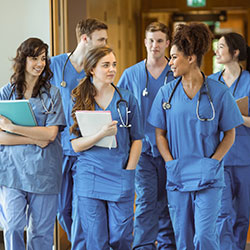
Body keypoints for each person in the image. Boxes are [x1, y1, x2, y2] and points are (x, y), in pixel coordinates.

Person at [148, 23, 244, 250]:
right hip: (178, 174)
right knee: (183, 239)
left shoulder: (218, 92)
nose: (169, 62)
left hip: (208, 177)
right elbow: (159, 134)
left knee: (205, 237)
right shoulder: (166, 93)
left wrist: (214, 161)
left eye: (173, 57)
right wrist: (170, 162)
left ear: (190, 58)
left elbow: (230, 133)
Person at [69, 46, 143, 249]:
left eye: (114, 64)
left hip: (120, 173)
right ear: (92, 69)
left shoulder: (126, 99)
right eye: (106, 65)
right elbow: (75, 145)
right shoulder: (79, 99)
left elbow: (137, 138)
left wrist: (129, 169)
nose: (112, 69)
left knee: (122, 237)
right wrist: (100, 134)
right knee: (96, 240)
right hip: (90, 175)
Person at [0, 38, 65, 249]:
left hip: (44, 172)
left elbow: (51, 134)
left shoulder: (52, 94)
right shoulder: (6, 93)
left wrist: (13, 128)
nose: (40, 63)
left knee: (41, 233)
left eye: (43, 58)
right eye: (34, 58)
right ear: (23, 59)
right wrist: (34, 137)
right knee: (13, 226)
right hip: (12, 172)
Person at [50, 18, 108, 248]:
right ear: (85, 39)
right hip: (58, 149)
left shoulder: (97, 69)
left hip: (86, 150)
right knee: (62, 209)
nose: (105, 44)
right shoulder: (54, 65)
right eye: (101, 39)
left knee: (83, 208)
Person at [117, 22, 176, 249]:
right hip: (143, 150)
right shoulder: (131, 74)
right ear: (144, 42)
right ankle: (143, 246)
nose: (155, 46)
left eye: (160, 41)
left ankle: (167, 245)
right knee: (145, 201)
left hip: (171, 150)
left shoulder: (176, 72)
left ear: (168, 44)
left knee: (169, 202)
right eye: (151, 40)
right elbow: (119, 107)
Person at [209, 32, 250, 250]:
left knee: (242, 215)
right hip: (220, 157)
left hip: (245, 158)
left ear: (235, 52)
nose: (216, 50)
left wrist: (237, 117)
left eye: (221, 46)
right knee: (222, 212)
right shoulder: (210, 82)